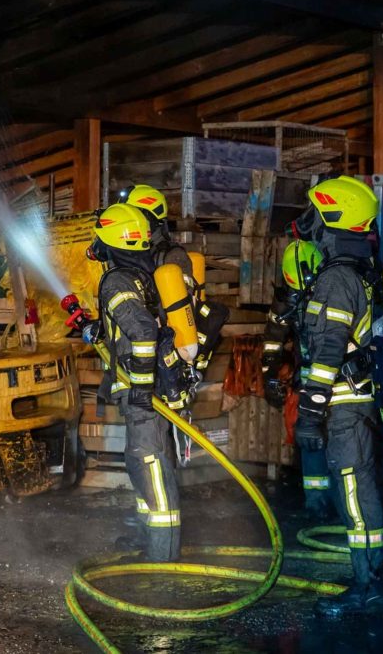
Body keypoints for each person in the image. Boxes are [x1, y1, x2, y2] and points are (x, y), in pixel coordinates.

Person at [289, 175, 383, 617]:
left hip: (344, 408)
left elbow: (329, 350)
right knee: (367, 491)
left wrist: (310, 412)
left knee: (354, 495)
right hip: (361, 401)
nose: (308, 223)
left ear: (331, 220)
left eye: (314, 214)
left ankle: (368, 586)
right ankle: (377, 577)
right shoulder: (362, 274)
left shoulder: (336, 279)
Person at [87, 203, 180, 562]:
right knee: (141, 463)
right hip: (152, 390)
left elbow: (142, 330)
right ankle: (147, 539)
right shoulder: (143, 273)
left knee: (151, 466)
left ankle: (161, 557)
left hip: (145, 396)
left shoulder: (116, 280)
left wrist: (141, 386)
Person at [117, 184, 228, 374]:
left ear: (150, 219)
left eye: (134, 216)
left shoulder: (173, 256)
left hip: (162, 349)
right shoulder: (129, 255)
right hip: (130, 344)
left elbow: (181, 305)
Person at [261, 240, 336, 520]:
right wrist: (270, 374)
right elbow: (273, 337)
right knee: (311, 441)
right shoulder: (287, 298)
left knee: (340, 442)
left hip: (339, 383)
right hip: (308, 382)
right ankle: (316, 506)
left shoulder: (336, 290)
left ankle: (343, 505)